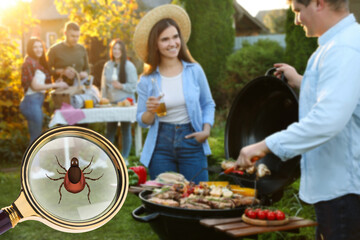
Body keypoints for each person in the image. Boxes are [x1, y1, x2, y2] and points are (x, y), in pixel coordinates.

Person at [236, 0, 360, 239]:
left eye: (297, 11)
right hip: (337, 189)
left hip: (344, 192)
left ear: (318, 3)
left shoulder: (344, 48)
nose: (296, 20)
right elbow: (341, 98)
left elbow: (327, 119)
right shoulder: (337, 44)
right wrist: (301, 81)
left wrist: (265, 145)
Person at [133, 4, 216, 184]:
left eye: (175, 37)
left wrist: (206, 130)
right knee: (165, 201)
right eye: (164, 39)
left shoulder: (194, 70)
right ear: (155, 44)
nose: (172, 43)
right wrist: (150, 111)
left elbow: (208, 103)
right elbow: (142, 120)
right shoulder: (147, 79)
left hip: (192, 141)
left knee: (197, 197)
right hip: (160, 145)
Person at [20, 37, 68, 143]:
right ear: (30, 49)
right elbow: (35, 87)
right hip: (30, 102)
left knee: (37, 138)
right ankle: (31, 159)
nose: (38, 49)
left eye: (40, 46)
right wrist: (55, 84)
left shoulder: (39, 64)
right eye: (35, 47)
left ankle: (34, 159)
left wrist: (56, 83)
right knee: (35, 139)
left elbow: (44, 85)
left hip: (36, 102)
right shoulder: (29, 63)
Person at [100, 39, 137, 160]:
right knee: (110, 130)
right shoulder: (108, 65)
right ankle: (107, 158)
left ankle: (124, 157)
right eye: (114, 49)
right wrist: (103, 98)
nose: (116, 51)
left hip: (125, 102)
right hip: (111, 102)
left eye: (119, 49)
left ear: (123, 51)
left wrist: (121, 86)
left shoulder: (129, 66)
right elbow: (103, 85)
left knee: (125, 129)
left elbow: (133, 86)